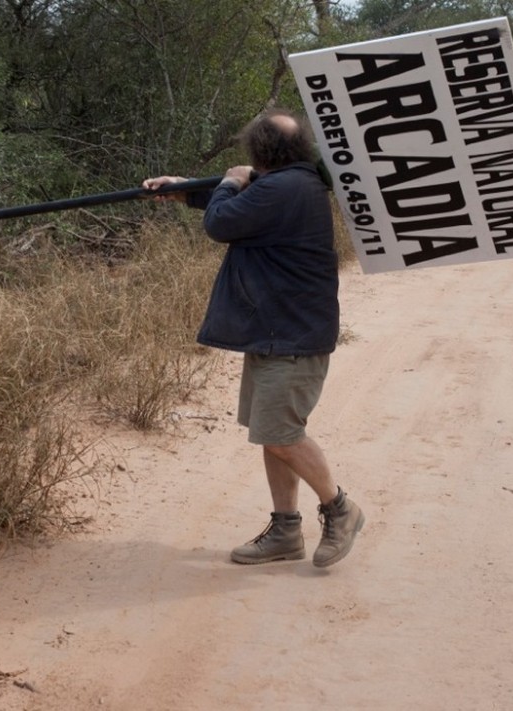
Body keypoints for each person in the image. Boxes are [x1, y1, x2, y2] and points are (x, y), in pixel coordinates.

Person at [142, 109, 365, 568]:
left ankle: (341, 509)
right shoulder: (294, 183)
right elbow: (246, 203)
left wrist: (227, 181)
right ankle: (286, 530)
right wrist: (183, 188)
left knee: (282, 434)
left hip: (292, 335)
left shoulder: (286, 187)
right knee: (271, 433)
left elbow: (223, 222)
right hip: (276, 331)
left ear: (259, 149)